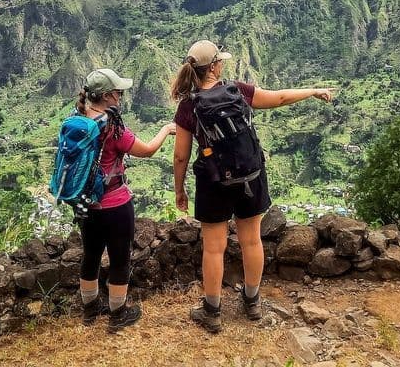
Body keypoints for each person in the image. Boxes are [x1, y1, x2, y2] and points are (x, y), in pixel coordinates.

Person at [170, 40, 333, 333]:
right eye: (220, 61)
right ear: (215, 66)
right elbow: (279, 98)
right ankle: (253, 302)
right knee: (252, 241)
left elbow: (181, 155)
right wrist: (312, 91)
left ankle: (212, 311)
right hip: (250, 176)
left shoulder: (188, 105)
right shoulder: (238, 91)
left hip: (213, 181)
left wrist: (179, 189)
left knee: (214, 249)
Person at [74, 68, 177, 331]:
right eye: (118, 92)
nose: (120, 96)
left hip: (86, 204)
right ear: (106, 96)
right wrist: (166, 129)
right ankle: (118, 314)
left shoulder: (77, 119)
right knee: (120, 259)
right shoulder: (113, 127)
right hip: (115, 204)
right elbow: (147, 150)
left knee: (90, 255)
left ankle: (90, 309)